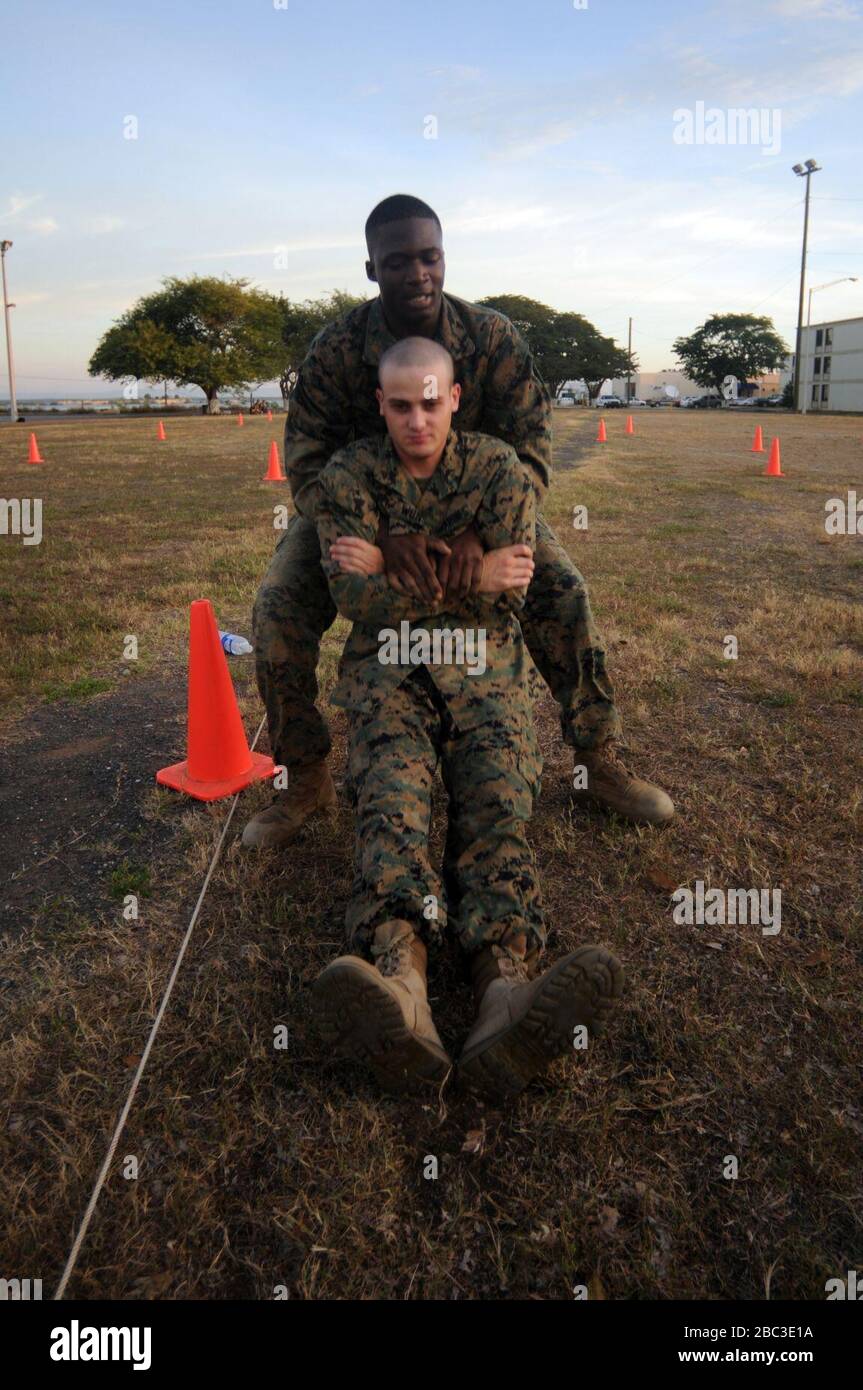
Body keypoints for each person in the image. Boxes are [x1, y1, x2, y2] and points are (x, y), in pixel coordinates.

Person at [246, 192, 673, 850]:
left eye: (429, 257)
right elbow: (305, 463)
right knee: (277, 603)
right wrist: (376, 536)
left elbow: (530, 450)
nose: (417, 273)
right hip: (359, 512)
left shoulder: (490, 338)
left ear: (443, 258)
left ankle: (597, 758)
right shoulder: (335, 350)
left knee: (562, 590)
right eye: (397, 261)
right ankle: (304, 777)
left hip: (479, 509)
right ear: (371, 269)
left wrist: (486, 533)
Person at [310, 336, 623, 1100]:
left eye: (429, 403)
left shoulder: (497, 469)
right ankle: (400, 985)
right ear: (379, 405)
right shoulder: (349, 473)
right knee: (391, 800)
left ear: (453, 398)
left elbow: (510, 589)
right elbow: (352, 598)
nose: (415, 421)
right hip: (390, 665)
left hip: (486, 665)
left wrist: (392, 564)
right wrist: (464, 572)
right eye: (399, 407)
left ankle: (505, 987)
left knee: (496, 801)